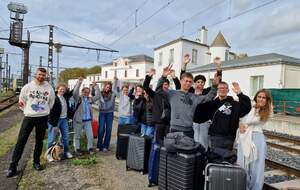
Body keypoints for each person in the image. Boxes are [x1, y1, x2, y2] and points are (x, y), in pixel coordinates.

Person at [7, 67, 55, 178]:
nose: (41, 77)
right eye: (39, 74)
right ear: (35, 75)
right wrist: (28, 111)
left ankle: (36, 162)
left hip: (42, 117)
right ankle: (13, 166)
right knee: (21, 141)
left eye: (43, 75)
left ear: (45, 76)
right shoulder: (28, 87)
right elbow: (21, 100)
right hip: (29, 117)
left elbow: (51, 102)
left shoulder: (49, 88)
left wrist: (45, 111)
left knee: (39, 141)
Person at [158, 65, 220, 138]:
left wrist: (215, 86)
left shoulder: (194, 97)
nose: (188, 83)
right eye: (186, 81)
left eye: (190, 82)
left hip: (189, 131)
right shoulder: (172, 93)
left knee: (188, 149)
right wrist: (163, 76)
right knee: (174, 150)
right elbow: (158, 90)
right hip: (174, 130)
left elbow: (209, 97)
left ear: (192, 84)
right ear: (181, 81)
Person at [181, 55, 222, 150]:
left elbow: (217, 83)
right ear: (194, 83)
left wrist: (218, 67)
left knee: (203, 143)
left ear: (204, 84)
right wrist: (184, 65)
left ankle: (203, 160)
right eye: (198, 82)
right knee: (193, 142)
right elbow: (183, 80)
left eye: (202, 82)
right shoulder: (190, 91)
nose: (200, 84)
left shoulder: (207, 92)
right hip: (192, 122)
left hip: (204, 122)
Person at [236, 89, 273, 190]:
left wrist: (242, 123)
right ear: (256, 97)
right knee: (243, 165)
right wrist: (240, 123)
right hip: (245, 138)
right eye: (259, 97)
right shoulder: (251, 107)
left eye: (264, 97)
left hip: (257, 139)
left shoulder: (268, 110)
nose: (261, 99)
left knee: (257, 168)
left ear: (267, 100)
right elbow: (240, 118)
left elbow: (251, 121)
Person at [208, 81, 251, 160]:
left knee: (226, 161)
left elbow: (247, 107)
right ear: (217, 90)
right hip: (214, 137)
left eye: (225, 88)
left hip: (229, 138)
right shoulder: (212, 104)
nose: (222, 90)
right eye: (220, 88)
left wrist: (240, 93)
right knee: (214, 160)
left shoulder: (234, 104)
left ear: (228, 90)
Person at [143, 68, 180, 143]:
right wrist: (149, 76)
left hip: (169, 123)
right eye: (163, 85)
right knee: (157, 144)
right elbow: (145, 87)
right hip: (158, 123)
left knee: (167, 143)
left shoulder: (171, 95)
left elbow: (179, 89)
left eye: (166, 84)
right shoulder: (155, 94)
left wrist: (174, 77)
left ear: (168, 85)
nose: (165, 86)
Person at [73, 77, 100, 155]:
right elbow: (75, 92)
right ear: (82, 92)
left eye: (88, 92)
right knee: (77, 136)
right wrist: (79, 82)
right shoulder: (78, 99)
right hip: (79, 120)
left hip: (88, 121)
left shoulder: (90, 99)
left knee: (90, 136)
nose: (86, 93)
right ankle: (77, 149)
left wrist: (96, 86)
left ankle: (90, 148)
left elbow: (98, 96)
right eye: (85, 92)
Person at [47, 83, 73, 161]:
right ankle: (49, 154)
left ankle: (66, 152)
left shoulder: (64, 97)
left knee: (65, 137)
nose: (62, 90)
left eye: (63, 89)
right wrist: (54, 125)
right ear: (57, 89)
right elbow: (51, 112)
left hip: (64, 120)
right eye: (60, 89)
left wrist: (79, 82)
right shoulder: (54, 98)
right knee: (52, 138)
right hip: (55, 121)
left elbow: (72, 92)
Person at [97, 81, 117, 152]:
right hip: (102, 113)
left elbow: (115, 89)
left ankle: (106, 145)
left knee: (108, 129)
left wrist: (115, 81)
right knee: (101, 129)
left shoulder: (113, 94)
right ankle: (99, 145)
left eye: (109, 87)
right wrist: (95, 85)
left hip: (110, 113)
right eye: (107, 87)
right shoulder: (100, 94)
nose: (108, 88)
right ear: (104, 86)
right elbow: (96, 91)